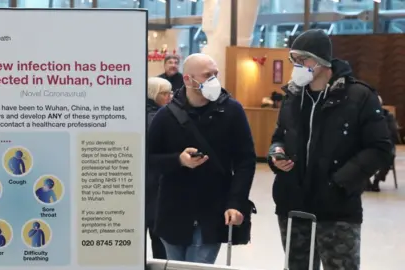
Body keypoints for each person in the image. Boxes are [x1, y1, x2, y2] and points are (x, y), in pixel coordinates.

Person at [268, 29, 393, 270]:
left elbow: (380, 149)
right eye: (293, 60)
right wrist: (276, 153)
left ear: (321, 61)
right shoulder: (293, 96)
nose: (296, 66)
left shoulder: (359, 96)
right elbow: (279, 136)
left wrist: (338, 182)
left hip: (337, 208)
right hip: (293, 203)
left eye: (302, 60)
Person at [148, 53, 256, 264]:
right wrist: (178, 160)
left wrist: (235, 202)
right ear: (188, 79)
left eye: (215, 74)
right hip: (173, 211)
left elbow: (245, 161)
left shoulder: (232, 111)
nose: (214, 80)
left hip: (212, 211)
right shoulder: (166, 116)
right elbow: (149, 159)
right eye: (207, 75)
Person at [145, 77, 172, 260]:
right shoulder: (157, 117)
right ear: (153, 93)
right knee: (158, 233)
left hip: (148, 181)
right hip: (153, 182)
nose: (169, 97)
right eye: (164, 93)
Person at [367, 95, 399, 192]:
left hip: (385, 145)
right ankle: (366, 182)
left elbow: (393, 132)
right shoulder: (366, 116)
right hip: (368, 145)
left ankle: (377, 180)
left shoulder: (388, 116)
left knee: (390, 156)